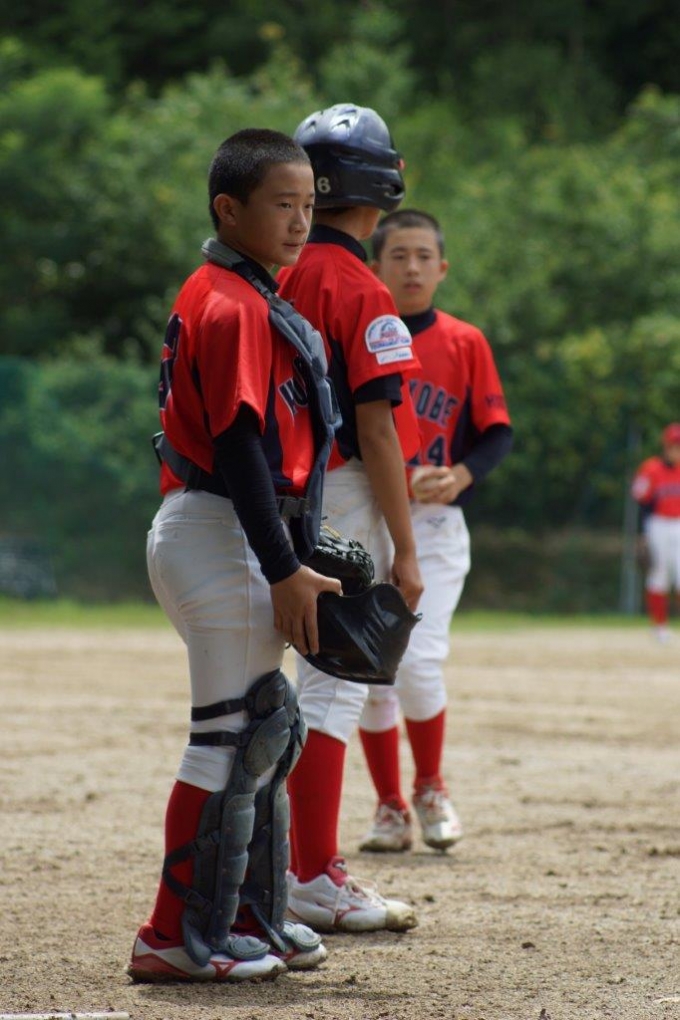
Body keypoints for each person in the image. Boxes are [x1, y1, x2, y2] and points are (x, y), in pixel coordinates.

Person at [127, 129, 344, 984]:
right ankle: (171, 934)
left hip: (222, 530)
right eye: (282, 205)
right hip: (217, 531)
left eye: (309, 205)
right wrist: (284, 567)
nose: (300, 222)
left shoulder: (245, 293)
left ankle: (248, 917)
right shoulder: (233, 303)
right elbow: (240, 444)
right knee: (227, 738)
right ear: (228, 209)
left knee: (266, 732)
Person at [276, 104, 424, 933]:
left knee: (258, 688)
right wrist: (407, 548)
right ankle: (313, 875)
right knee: (331, 688)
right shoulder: (361, 287)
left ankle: (272, 871)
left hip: (268, 497)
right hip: (341, 496)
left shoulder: (273, 270)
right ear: (380, 183)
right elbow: (378, 431)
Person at [357, 208, 513, 853]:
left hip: (438, 524)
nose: (413, 267)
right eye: (399, 255)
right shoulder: (356, 336)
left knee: (417, 661)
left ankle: (429, 786)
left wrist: (462, 475)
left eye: (424, 256)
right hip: (369, 518)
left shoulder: (463, 341)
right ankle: (389, 807)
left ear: (442, 268)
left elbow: (496, 433)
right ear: (376, 266)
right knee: (371, 670)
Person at [631, 422, 680, 643]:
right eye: (674, 445)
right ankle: (659, 627)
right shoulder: (650, 469)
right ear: (666, 446)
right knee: (658, 575)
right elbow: (642, 502)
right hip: (658, 524)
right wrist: (643, 533)